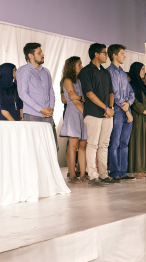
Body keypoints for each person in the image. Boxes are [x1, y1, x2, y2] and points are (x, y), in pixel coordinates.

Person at [78, 43, 115, 187]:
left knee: (104, 145)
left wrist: (110, 108)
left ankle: (104, 174)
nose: (107, 56)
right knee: (92, 144)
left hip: (107, 114)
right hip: (93, 113)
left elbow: (111, 92)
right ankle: (93, 176)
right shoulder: (86, 72)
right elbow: (89, 94)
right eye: (105, 53)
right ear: (96, 54)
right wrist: (106, 107)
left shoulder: (106, 72)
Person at [16, 43, 57, 149]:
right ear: (30, 55)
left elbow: (51, 91)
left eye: (41, 52)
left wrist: (50, 108)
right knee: (35, 149)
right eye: (39, 52)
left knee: (52, 147)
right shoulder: (23, 70)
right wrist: (41, 109)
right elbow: (22, 93)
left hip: (48, 115)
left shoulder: (46, 71)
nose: (43, 54)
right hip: (32, 115)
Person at [106, 44, 135, 181]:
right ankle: (115, 172)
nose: (124, 56)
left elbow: (131, 92)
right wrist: (125, 108)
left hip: (126, 109)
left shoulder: (124, 73)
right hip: (117, 110)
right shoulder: (108, 72)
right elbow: (113, 93)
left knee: (124, 143)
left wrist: (129, 103)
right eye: (122, 53)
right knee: (115, 142)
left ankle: (123, 171)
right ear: (114, 55)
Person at [59, 56, 88, 184]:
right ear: (72, 66)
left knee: (83, 145)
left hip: (82, 112)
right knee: (73, 145)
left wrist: (81, 98)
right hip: (73, 113)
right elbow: (73, 100)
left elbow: (83, 98)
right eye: (79, 65)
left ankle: (82, 174)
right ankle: (72, 176)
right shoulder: (67, 80)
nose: (81, 67)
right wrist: (86, 113)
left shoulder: (81, 80)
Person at [127, 62, 146, 178]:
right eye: (142, 69)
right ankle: (136, 169)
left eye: (144, 69)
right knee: (138, 142)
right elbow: (135, 103)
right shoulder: (132, 85)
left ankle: (143, 168)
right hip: (138, 117)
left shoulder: (143, 85)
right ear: (136, 70)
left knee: (145, 143)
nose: (144, 71)